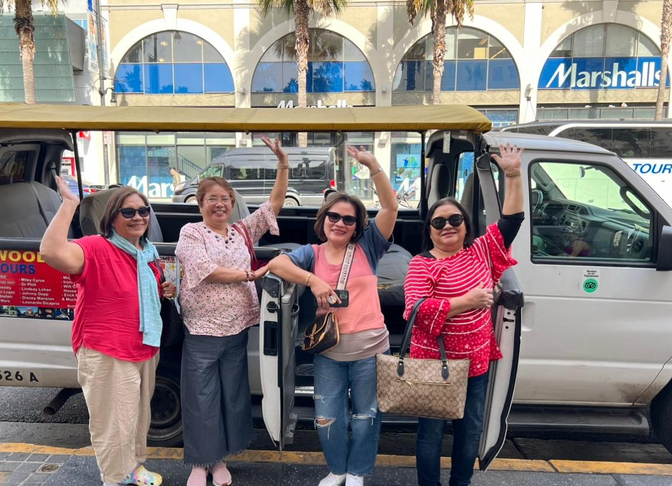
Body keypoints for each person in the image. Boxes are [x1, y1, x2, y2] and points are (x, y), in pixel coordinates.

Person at [268, 146, 398, 486]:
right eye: (334, 216)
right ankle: (337, 469)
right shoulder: (310, 254)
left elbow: (390, 207)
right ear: (323, 219)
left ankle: (357, 472)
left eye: (349, 219)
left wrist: (373, 166)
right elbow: (276, 264)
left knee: (366, 416)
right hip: (329, 349)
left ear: (357, 226)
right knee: (327, 416)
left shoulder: (369, 246)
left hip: (370, 350)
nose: (340, 223)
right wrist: (312, 280)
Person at [40, 181, 176, 486]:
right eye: (128, 211)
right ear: (112, 217)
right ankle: (114, 479)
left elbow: (137, 291)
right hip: (107, 349)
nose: (138, 216)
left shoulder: (146, 252)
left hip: (144, 346)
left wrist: (162, 289)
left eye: (143, 210)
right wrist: (69, 204)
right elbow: (50, 251)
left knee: (137, 417)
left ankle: (133, 469)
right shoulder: (96, 247)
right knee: (114, 423)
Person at [403, 144, 524, 486]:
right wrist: (466, 301)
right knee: (430, 435)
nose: (447, 226)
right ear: (429, 230)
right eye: (438, 222)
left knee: (469, 432)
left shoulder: (482, 250)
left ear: (465, 225)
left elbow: (513, 219)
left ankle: (461, 483)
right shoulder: (421, 265)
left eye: (455, 220)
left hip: (475, 363)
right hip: (434, 365)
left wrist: (512, 173)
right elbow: (415, 311)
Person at [174, 137, 288, 486]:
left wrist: (282, 163)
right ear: (200, 204)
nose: (220, 205)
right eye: (212, 199)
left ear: (232, 203)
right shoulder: (192, 233)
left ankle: (219, 460)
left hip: (238, 329)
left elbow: (275, 204)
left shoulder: (241, 230)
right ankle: (199, 462)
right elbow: (207, 270)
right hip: (202, 330)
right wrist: (252, 275)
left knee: (231, 397)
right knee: (200, 399)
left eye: (225, 199)